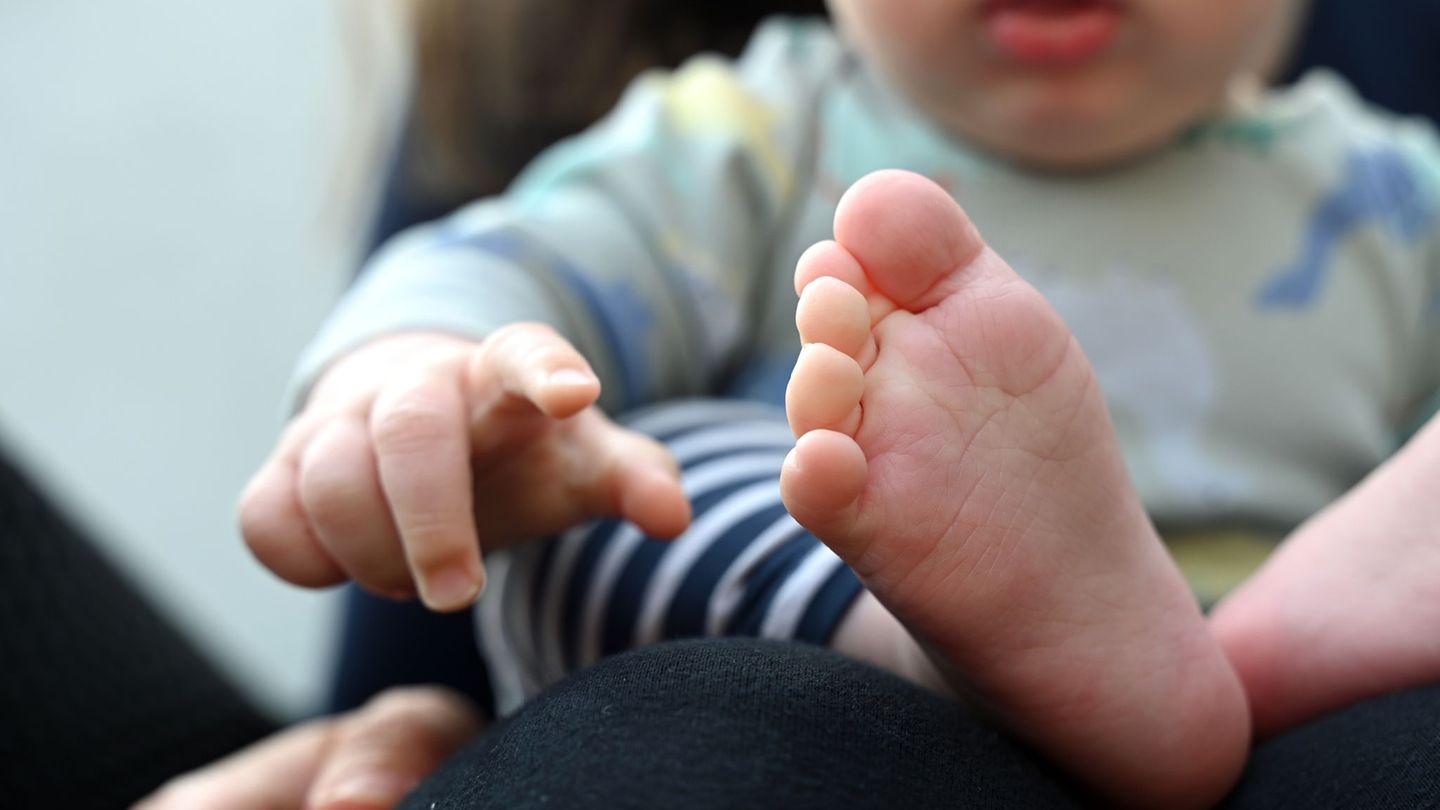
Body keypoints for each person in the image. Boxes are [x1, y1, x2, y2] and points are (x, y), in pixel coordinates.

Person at [153, 0, 1440, 806]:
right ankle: (937, 637)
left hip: (1254, 691)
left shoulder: (1398, 192)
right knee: (618, 473)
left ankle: (1255, 641)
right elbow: (505, 260)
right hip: (823, 620)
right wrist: (414, 372)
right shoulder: (759, 131)